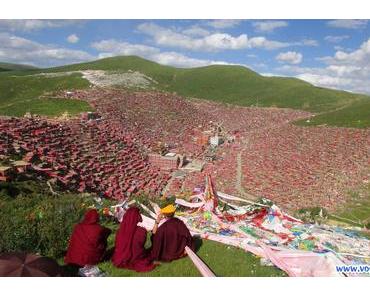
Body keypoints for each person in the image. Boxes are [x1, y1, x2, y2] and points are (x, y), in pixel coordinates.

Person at [112, 207, 156, 272]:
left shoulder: (120, 231)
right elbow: (141, 245)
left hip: (121, 257)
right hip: (137, 257)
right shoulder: (141, 231)